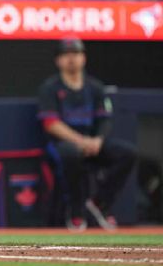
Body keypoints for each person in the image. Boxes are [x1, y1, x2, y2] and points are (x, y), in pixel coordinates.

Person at [37, 38, 137, 231]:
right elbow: (51, 124)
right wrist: (80, 141)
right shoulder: (50, 88)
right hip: (63, 145)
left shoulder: (95, 87)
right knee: (70, 154)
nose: (71, 59)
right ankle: (76, 211)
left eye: (76, 54)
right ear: (58, 60)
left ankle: (100, 202)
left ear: (83, 58)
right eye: (66, 55)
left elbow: (105, 119)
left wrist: (97, 141)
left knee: (127, 153)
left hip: (92, 143)